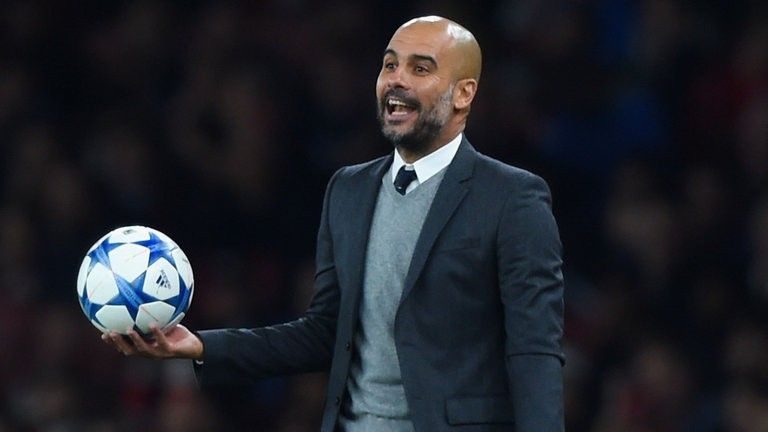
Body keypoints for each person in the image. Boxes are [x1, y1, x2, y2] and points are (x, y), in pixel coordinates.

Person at [104, 16, 565, 432]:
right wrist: (201, 346)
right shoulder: (348, 190)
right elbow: (324, 333)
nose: (396, 79)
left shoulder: (512, 197)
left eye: (420, 68)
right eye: (390, 65)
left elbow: (534, 350)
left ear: (463, 93)